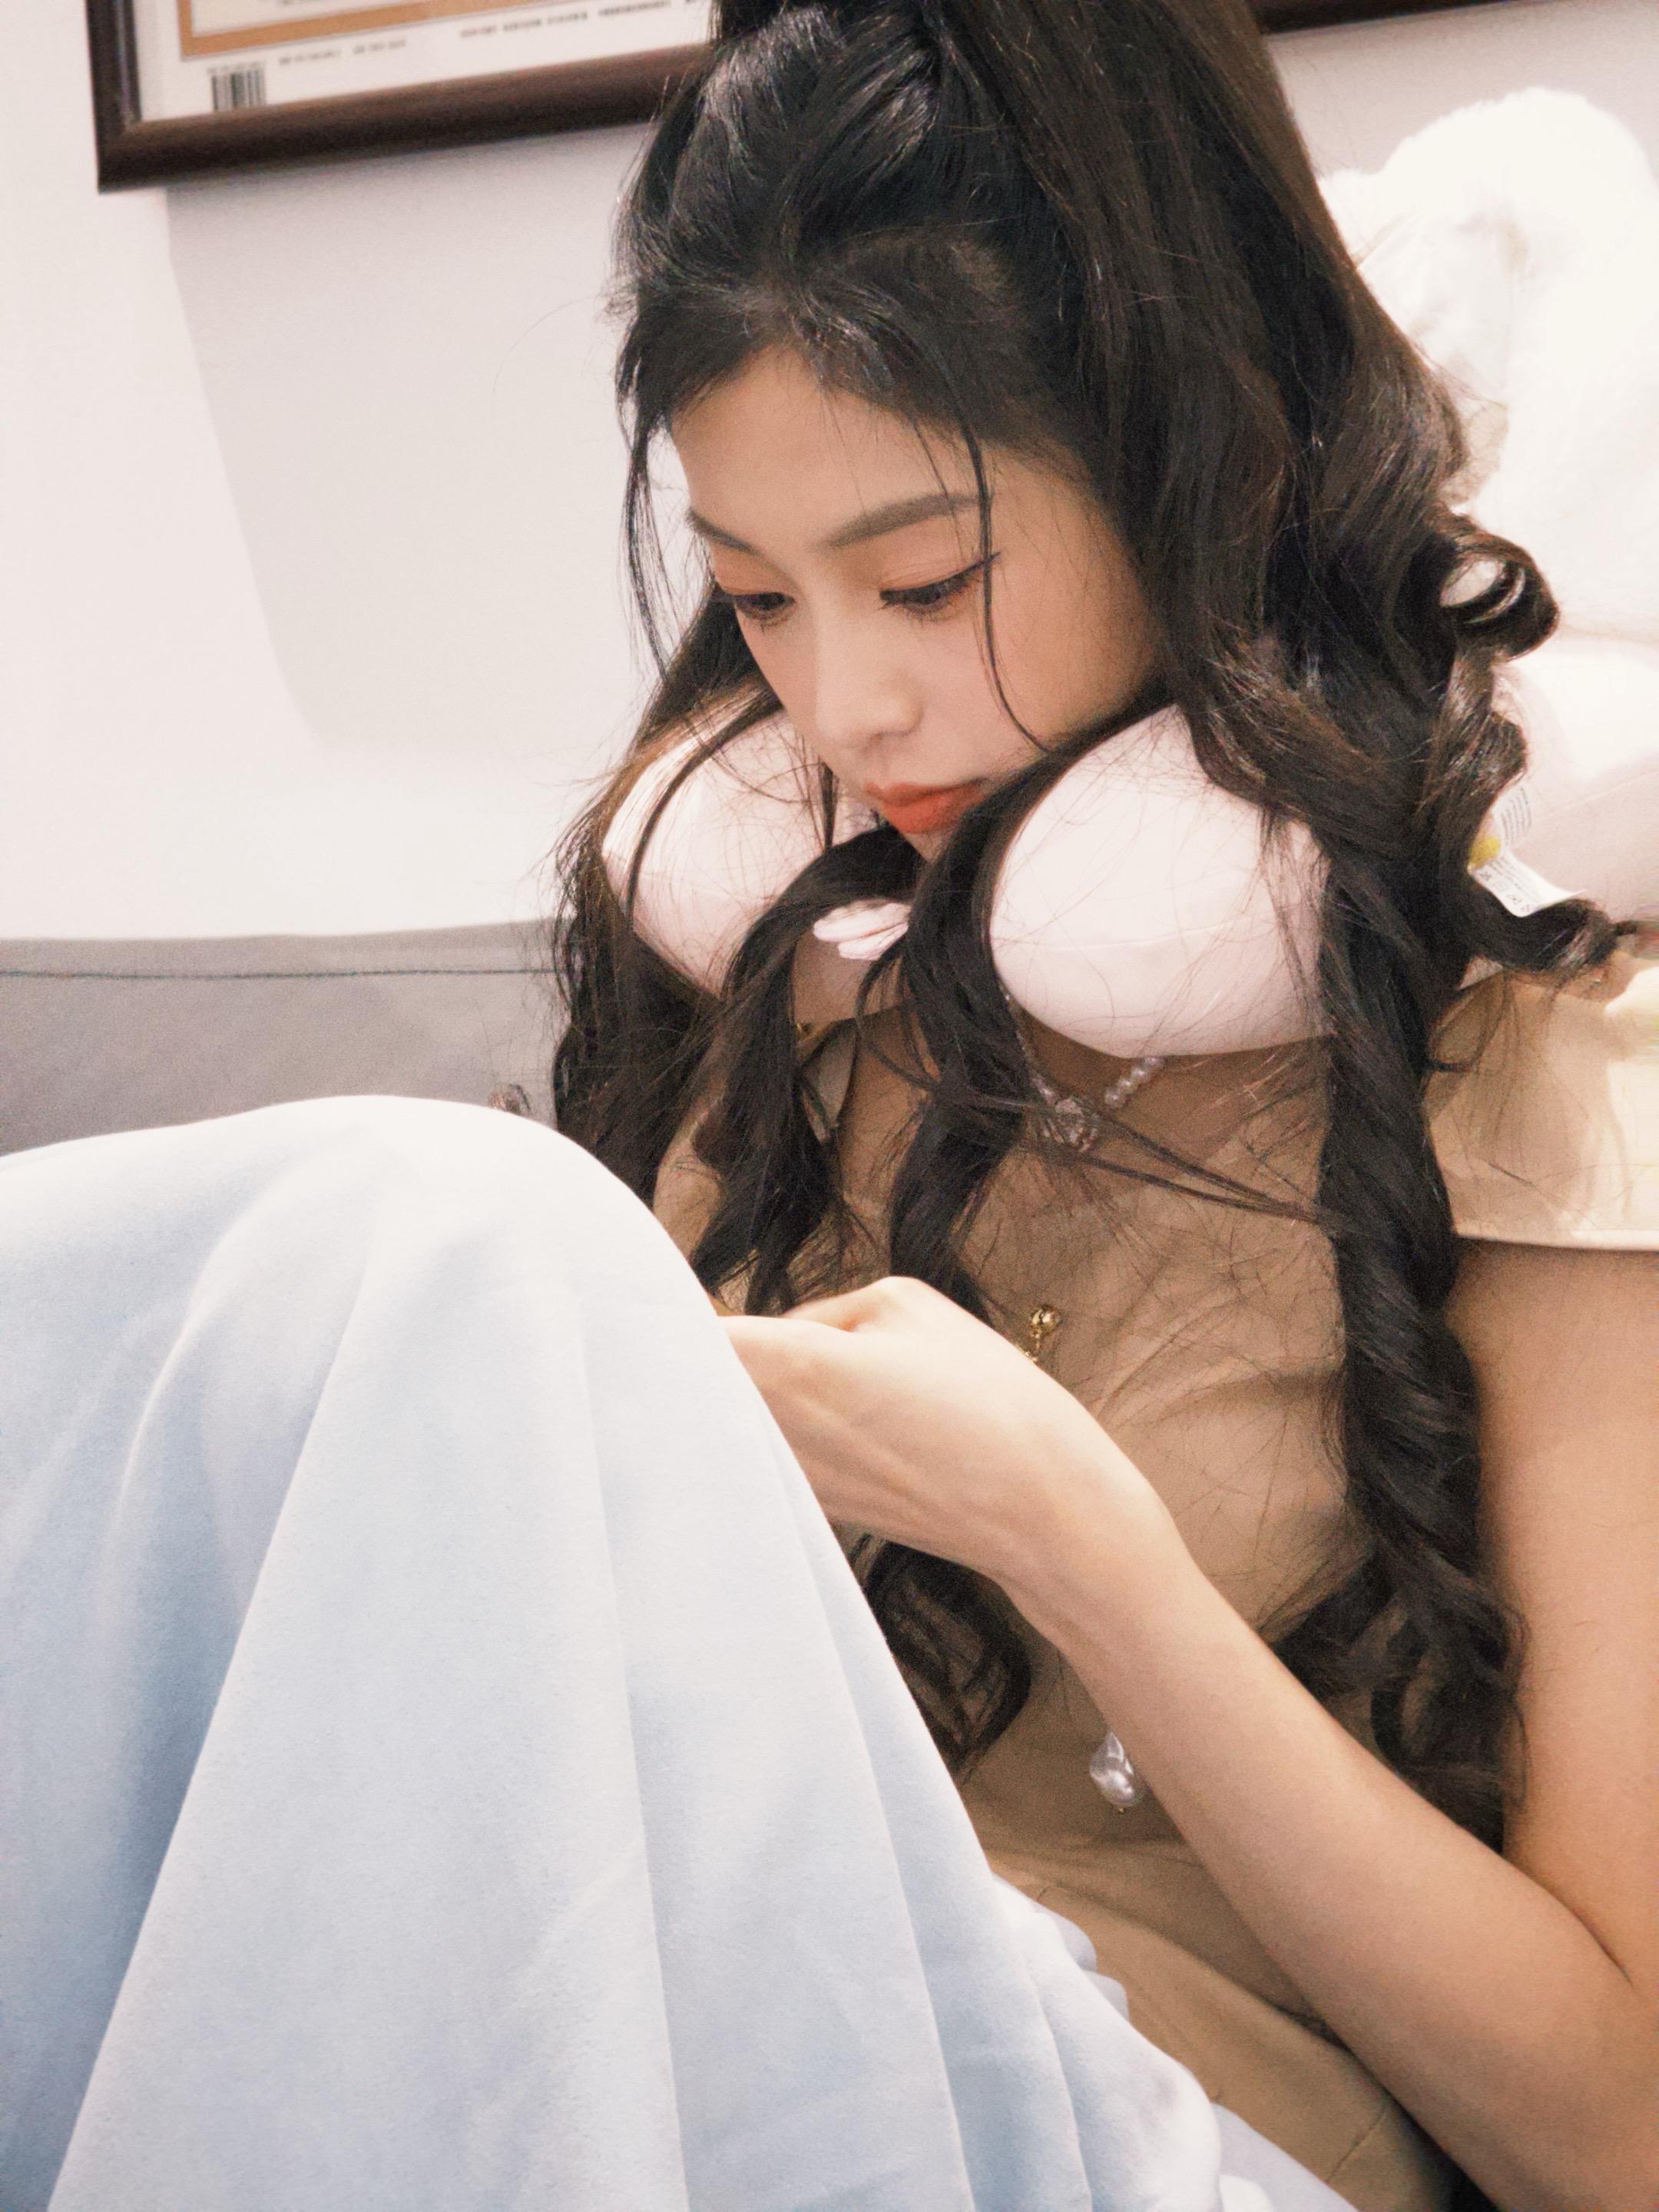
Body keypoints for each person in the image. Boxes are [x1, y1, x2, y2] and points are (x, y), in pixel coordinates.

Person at [548, 3, 1659, 2208]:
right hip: (670, 2046)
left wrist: (1079, 1550)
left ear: (1203, 459)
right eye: (758, 598)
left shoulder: (1540, 1049)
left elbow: (1622, 2138)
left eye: (925, 581)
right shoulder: (809, 968)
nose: (844, 705)